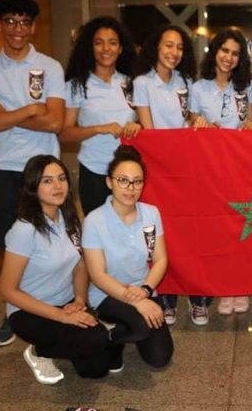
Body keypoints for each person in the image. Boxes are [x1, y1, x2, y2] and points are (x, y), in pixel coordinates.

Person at [0, 0, 65, 346]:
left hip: (44, 168)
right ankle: (12, 310)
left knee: (51, 237)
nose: (17, 29)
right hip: (4, 167)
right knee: (6, 243)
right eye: (10, 21)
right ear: (0, 24)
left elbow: (55, 122)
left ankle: (52, 300)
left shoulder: (50, 67)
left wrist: (5, 114)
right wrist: (29, 109)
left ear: (33, 27)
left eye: (24, 22)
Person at [0, 155, 111, 385]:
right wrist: (61, 316)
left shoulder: (69, 219)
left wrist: (79, 300)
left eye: (61, 178)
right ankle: (38, 352)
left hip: (66, 302)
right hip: (30, 310)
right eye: (47, 181)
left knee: (96, 369)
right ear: (32, 187)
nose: (58, 186)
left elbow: (80, 264)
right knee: (96, 339)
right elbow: (8, 291)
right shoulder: (24, 230)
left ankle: (59, 343)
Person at [132, 25, 207, 325]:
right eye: (168, 45)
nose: (174, 52)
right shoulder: (142, 83)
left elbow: (187, 119)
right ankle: (166, 296)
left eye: (179, 47)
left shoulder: (186, 82)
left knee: (191, 233)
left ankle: (196, 296)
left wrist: (197, 120)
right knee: (163, 234)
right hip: (159, 170)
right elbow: (149, 133)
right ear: (156, 47)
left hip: (187, 169)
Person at [83, 145, 174, 371]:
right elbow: (97, 275)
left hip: (142, 289)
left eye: (137, 182)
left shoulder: (151, 213)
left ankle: (116, 330)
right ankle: (109, 334)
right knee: (141, 327)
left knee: (160, 357)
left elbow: (161, 259)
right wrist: (137, 301)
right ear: (109, 182)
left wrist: (145, 290)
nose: (130, 188)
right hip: (108, 294)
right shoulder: (94, 220)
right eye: (123, 180)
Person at [190, 29, 252, 315]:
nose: (229, 57)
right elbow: (192, 122)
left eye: (235, 53)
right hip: (210, 169)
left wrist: (250, 126)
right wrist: (201, 124)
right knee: (218, 229)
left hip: (240, 167)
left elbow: (250, 121)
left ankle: (241, 286)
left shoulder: (247, 85)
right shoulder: (197, 88)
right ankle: (224, 287)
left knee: (241, 226)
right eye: (224, 51)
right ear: (214, 51)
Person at [59, 16, 141, 216]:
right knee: (97, 230)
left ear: (120, 48)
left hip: (128, 171)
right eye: (99, 43)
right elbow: (64, 134)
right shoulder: (76, 85)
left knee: (129, 227)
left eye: (112, 43)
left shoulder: (133, 83)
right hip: (93, 170)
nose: (106, 49)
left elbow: (145, 122)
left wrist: (137, 126)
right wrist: (98, 128)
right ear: (91, 47)